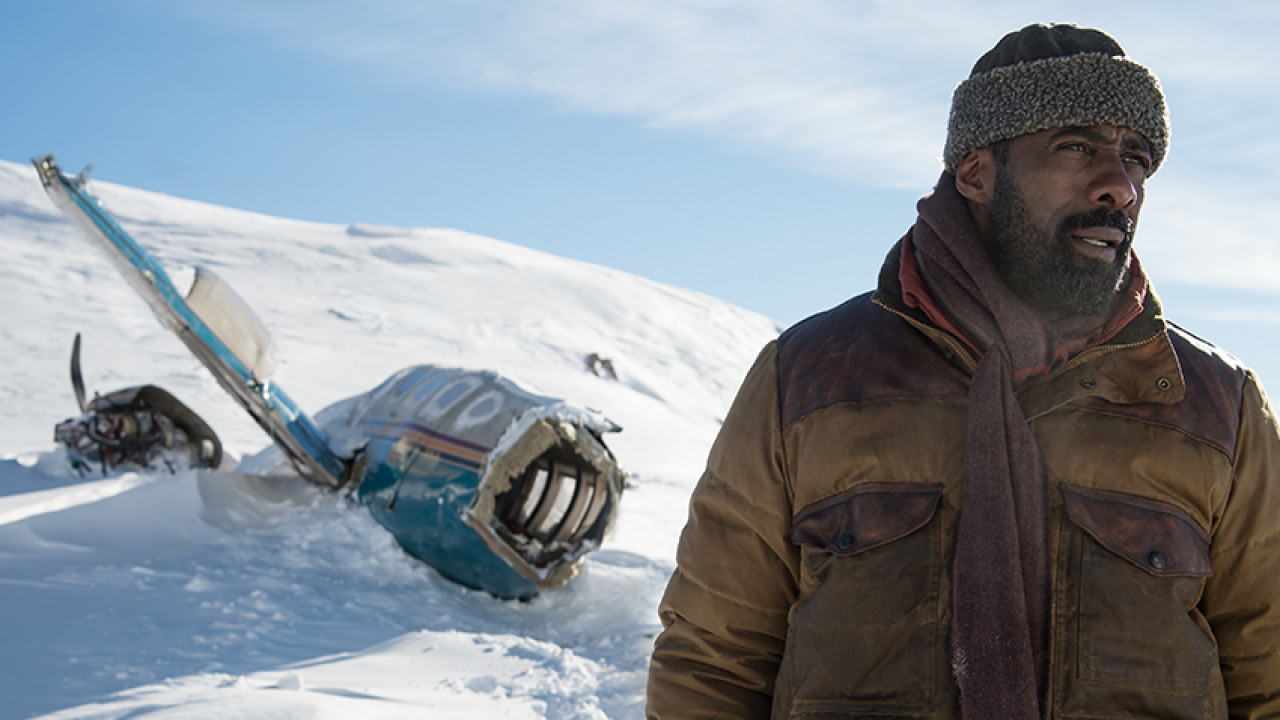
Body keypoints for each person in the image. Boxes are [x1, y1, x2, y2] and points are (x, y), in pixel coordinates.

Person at [645, 23, 1280, 719]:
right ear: (976, 173)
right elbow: (714, 661)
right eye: (1076, 147)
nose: (1120, 187)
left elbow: (1270, 674)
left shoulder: (1216, 406)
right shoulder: (808, 379)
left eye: (1136, 159)